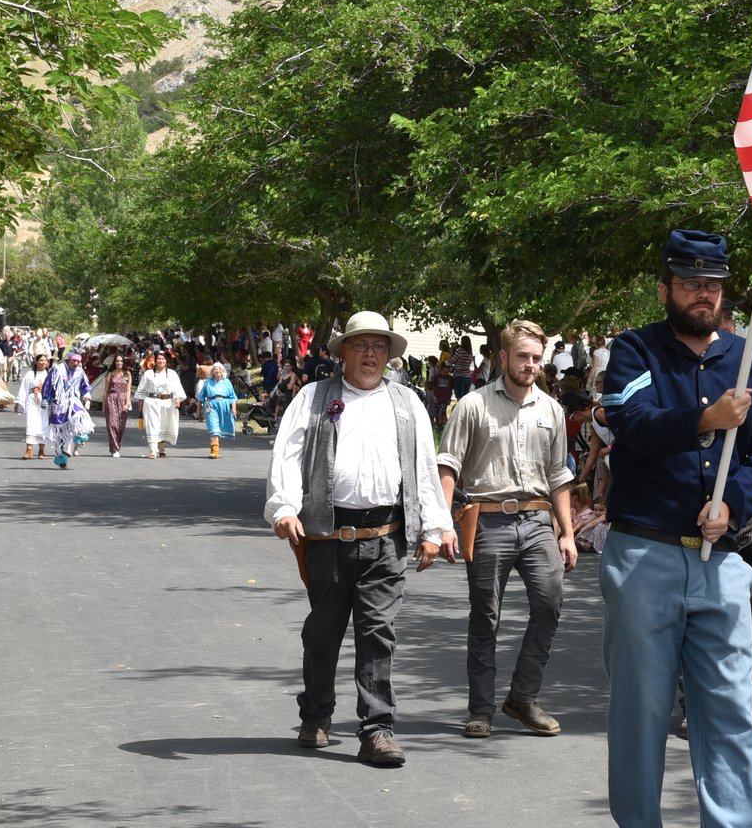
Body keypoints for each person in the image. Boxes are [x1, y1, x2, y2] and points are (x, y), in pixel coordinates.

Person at [592, 231, 752, 828]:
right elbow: (629, 421)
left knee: (728, 712)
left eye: (714, 283)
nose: (704, 293)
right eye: (690, 281)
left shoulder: (748, 359)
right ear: (666, 288)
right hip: (645, 551)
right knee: (642, 710)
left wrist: (734, 500)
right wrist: (704, 420)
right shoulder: (635, 350)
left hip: (723, 561)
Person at [266, 312, 457, 768]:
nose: (370, 354)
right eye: (360, 345)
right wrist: (285, 507)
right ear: (343, 352)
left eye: (378, 346)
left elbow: (424, 468)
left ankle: (377, 729)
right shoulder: (314, 397)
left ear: (389, 355)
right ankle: (315, 714)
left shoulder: (407, 402)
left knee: (378, 633)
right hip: (328, 536)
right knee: (323, 632)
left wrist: (435, 527)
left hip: (385, 538)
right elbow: (288, 455)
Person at [436, 319, 576, 741]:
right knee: (486, 617)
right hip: (487, 519)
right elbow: (448, 465)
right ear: (502, 357)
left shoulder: (552, 409)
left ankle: (522, 697)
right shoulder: (473, 405)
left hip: (537, 521)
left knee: (549, 604)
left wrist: (566, 533)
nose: (530, 364)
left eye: (536, 358)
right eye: (523, 357)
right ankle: (481, 709)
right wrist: (442, 523)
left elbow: (559, 476)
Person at [136, 349, 185, 460]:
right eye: (159, 358)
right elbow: (141, 391)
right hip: (151, 402)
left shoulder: (172, 374)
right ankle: (153, 450)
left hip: (167, 403)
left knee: (164, 426)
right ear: (155, 360)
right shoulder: (148, 373)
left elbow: (177, 388)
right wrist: (140, 407)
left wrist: (177, 399)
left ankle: (161, 449)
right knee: (152, 425)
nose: (161, 361)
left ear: (166, 361)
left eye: (163, 359)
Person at [198, 358, 237, 459]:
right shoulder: (207, 382)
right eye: (216, 369)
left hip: (224, 405)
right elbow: (201, 397)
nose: (218, 371)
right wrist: (198, 410)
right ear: (213, 372)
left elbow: (232, 397)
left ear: (223, 371)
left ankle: (215, 447)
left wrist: (234, 409)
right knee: (214, 427)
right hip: (211, 405)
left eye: (220, 369)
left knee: (220, 427)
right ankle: (215, 450)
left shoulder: (227, 382)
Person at [16, 350, 50, 461]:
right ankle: (29, 450)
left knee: (43, 424)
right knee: (30, 423)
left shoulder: (49, 375)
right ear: (36, 362)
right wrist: (19, 402)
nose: (43, 362)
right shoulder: (30, 374)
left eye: (45, 360)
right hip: (32, 400)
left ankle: (41, 450)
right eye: (41, 360)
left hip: (45, 401)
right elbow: (24, 389)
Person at [101, 353, 133, 458]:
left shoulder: (127, 374)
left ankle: (116, 446)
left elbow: (128, 390)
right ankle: (115, 449)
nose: (119, 363)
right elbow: (105, 390)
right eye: (117, 361)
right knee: (112, 424)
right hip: (111, 399)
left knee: (120, 426)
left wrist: (127, 403)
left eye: (121, 361)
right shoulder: (110, 374)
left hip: (123, 400)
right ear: (114, 362)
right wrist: (103, 404)